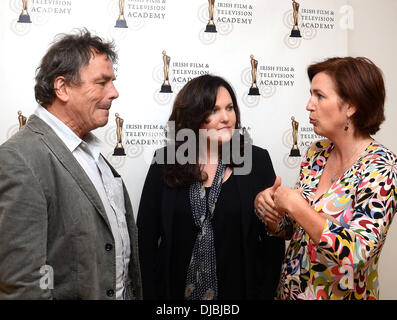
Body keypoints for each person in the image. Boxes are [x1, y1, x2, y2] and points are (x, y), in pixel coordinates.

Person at [0, 29, 142, 300]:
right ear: (63, 88)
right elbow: (23, 285)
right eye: (102, 82)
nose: (114, 92)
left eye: (112, 82)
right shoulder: (20, 159)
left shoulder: (91, 152)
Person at [255, 57, 397, 300]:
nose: (309, 105)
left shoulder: (382, 166)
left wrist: (297, 206)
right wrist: (270, 210)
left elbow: (355, 255)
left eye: (320, 96)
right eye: (311, 95)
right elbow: (293, 230)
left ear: (351, 106)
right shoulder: (316, 153)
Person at [137, 74, 285, 300]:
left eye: (230, 108)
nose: (226, 118)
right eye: (214, 110)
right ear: (192, 116)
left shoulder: (256, 161)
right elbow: (145, 242)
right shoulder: (164, 163)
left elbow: (273, 243)